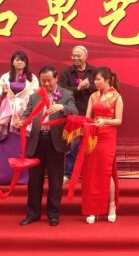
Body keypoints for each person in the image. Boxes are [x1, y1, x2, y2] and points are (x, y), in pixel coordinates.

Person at [17, 65, 77, 226]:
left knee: (55, 181)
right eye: (43, 81)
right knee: (34, 181)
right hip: (37, 141)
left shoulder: (66, 94)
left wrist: (62, 107)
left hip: (55, 142)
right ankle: (32, 214)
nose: (46, 84)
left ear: (56, 78)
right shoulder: (35, 96)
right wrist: (21, 120)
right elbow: (27, 113)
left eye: (49, 80)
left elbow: (74, 111)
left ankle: (53, 214)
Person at [0, 50, 39, 185]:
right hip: (8, 115)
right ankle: (1, 175)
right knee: (7, 144)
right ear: (12, 62)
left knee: (23, 145)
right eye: (17, 60)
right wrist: (4, 92)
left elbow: (36, 96)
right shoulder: (5, 77)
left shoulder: (32, 78)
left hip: (24, 113)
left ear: (26, 62)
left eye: (22, 60)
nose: (19, 62)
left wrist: (24, 106)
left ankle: (23, 177)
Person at [81, 66, 123, 224]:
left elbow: (118, 121)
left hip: (107, 136)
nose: (96, 82)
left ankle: (111, 205)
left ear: (107, 80)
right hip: (93, 136)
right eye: (95, 80)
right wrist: (83, 125)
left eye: (98, 79)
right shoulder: (93, 96)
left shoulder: (117, 97)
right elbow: (87, 117)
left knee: (106, 171)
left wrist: (104, 121)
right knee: (92, 172)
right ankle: (93, 208)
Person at [59, 45, 97, 184]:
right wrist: (78, 88)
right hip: (73, 115)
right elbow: (61, 90)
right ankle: (68, 174)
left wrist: (89, 86)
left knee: (91, 146)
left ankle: (90, 173)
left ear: (86, 56)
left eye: (78, 55)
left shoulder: (94, 72)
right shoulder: (66, 73)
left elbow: (100, 88)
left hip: (91, 114)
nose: (75, 58)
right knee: (72, 147)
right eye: (73, 55)